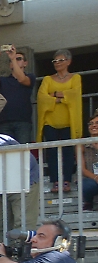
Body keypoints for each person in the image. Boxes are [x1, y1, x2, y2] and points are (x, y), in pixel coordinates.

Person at [36, 49, 83, 192]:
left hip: (69, 122)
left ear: (68, 62)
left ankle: (67, 180)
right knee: (52, 152)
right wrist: (62, 98)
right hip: (50, 122)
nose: (57, 63)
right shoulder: (47, 79)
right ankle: (56, 181)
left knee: (68, 151)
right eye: (55, 61)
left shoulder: (75, 78)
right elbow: (42, 97)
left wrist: (54, 95)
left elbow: (75, 94)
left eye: (60, 60)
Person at [0, 47, 35, 144]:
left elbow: (21, 79)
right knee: (6, 154)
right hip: (4, 122)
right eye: (13, 60)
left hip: (23, 122)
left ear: (25, 63)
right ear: (9, 65)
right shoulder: (4, 81)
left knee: (23, 153)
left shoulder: (30, 77)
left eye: (19, 59)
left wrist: (13, 58)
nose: (15, 60)